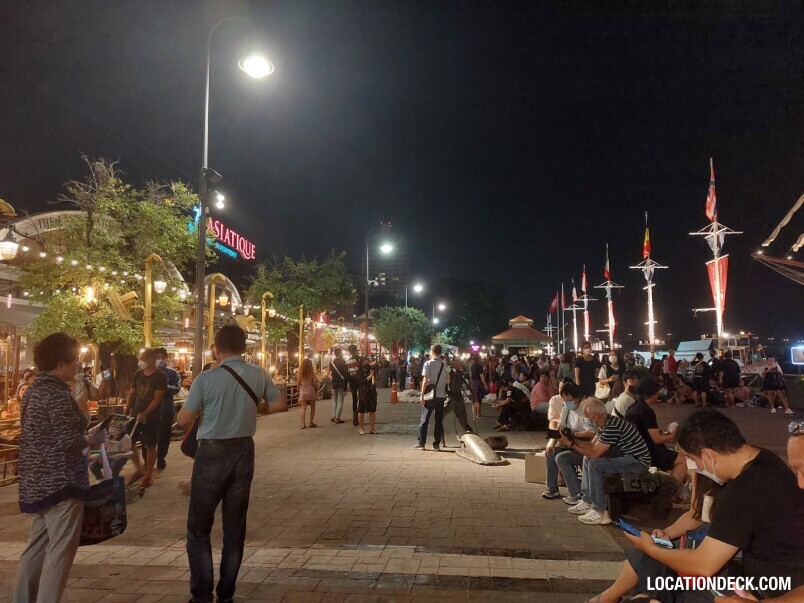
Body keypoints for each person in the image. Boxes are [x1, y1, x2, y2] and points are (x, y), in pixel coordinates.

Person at [620, 409, 804, 601]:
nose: (693, 467)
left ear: (708, 455)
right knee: (656, 578)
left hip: (770, 587)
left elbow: (703, 564)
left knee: (658, 577)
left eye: (692, 459)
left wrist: (652, 548)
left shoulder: (745, 488)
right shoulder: (765, 460)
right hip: (760, 578)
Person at [177, 325, 279, 603]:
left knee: (199, 528)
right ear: (245, 348)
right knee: (234, 529)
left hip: (211, 453)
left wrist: (204, 409)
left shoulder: (205, 379)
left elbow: (183, 421)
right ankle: (227, 595)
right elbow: (279, 404)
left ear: (215, 348)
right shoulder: (258, 374)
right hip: (244, 451)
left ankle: (201, 595)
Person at [13, 332, 107, 603]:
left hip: (37, 483)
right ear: (60, 363)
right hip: (61, 483)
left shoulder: (33, 391)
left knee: (36, 549)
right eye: (75, 360)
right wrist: (94, 439)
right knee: (60, 553)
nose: (78, 365)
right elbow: (69, 441)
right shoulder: (54, 394)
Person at [592, 472, 723, 603]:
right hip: (699, 542)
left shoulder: (737, 485)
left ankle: (615, 597)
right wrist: (666, 533)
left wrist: (652, 548)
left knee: (652, 555)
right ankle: (620, 596)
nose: (690, 465)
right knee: (651, 552)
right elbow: (695, 514)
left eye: (690, 457)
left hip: (714, 553)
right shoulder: (701, 471)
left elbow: (707, 562)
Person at [563, 398, 651, 525]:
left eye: (588, 417)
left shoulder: (612, 426)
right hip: (626, 457)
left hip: (637, 462)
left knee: (595, 465)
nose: (587, 420)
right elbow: (592, 447)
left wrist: (570, 444)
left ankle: (599, 511)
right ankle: (587, 500)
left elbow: (595, 453)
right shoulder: (605, 424)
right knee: (588, 459)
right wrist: (572, 440)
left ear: (596, 416)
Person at [624, 377, 688, 483]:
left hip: (636, 448)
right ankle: (670, 492)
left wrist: (665, 434)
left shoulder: (632, 407)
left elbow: (647, 432)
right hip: (648, 452)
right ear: (652, 393)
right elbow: (657, 439)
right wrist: (676, 434)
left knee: (672, 456)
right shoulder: (647, 411)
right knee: (683, 460)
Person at [545, 382, 597, 501]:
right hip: (568, 443)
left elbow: (591, 432)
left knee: (562, 458)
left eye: (569, 400)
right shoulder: (566, 409)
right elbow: (559, 428)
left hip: (583, 446)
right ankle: (552, 488)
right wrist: (552, 443)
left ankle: (576, 493)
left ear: (578, 398)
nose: (566, 403)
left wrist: (573, 434)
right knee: (551, 452)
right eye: (564, 400)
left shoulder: (586, 410)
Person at [124, 348, 167, 488]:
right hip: (135, 414)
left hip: (152, 417)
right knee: (127, 441)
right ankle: (138, 468)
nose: (140, 361)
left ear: (151, 359)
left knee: (150, 445)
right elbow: (132, 393)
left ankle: (148, 473)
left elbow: (157, 398)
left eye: (142, 358)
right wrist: (127, 409)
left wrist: (146, 413)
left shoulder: (160, 376)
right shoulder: (137, 375)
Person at [415, 345, 447, 450]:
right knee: (438, 420)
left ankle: (422, 443)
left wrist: (422, 395)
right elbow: (448, 381)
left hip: (430, 396)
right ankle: (436, 444)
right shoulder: (444, 364)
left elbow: (425, 380)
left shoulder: (428, 364)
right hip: (441, 395)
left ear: (432, 352)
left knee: (425, 419)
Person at [154, 347, 181, 470]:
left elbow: (177, 388)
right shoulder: (147, 372)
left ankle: (160, 458)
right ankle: (147, 460)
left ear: (166, 358)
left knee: (164, 435)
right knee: (149, 436)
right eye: (157, 358)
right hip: (150, 411)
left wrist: (164, 387)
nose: (159, 360)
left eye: (162, 358)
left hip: (166, 409)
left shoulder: (172, 373)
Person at [443, 356, 474, 436]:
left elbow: (468, 385)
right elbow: (445, 385)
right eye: (457, 364)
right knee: (439, 419)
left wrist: (470, 394)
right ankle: (440, 440)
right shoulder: (450, 373)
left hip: (457, 399)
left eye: (459, 363)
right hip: (451, 399)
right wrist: (449, 394)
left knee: (463, 419)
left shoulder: (461, 374)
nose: (459, 365)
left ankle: (471, 434)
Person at [357, 357, 378, 435]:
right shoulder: (359, 371)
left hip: (372, 392)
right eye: (365, 362)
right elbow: (362, 380)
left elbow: (373, 382)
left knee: (373, 410)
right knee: (361, 410)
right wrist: (370, 376)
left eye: (368, 362)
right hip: (363, 392)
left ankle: (372, 428)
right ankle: (361, 427)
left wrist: (372, 374)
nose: (367, 363)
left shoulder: (371, 370)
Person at [297, 358, 318, 429]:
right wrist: (316, 389)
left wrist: (298, 391)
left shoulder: (300, 373)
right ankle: (311, 422)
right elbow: (315, 383)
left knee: (303, 408)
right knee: (312, 407)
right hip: (311, 390)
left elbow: (299, 383)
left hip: (302, 390)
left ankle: (303, 424)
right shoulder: (312, 373)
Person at [329, 348, 348, 424]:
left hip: (334, 383)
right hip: (341, 383)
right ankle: (338, 417)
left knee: (334, 400)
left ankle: (334, 416)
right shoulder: (343, 362)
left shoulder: (331, 363)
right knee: (340, 400)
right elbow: (346, 374)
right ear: (340, 354)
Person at [345, 344, 363, 426]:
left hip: (352, 382)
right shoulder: (360, 359)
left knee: (354, 399)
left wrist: (345, 386)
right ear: (356, 350)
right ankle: (360, 415)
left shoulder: (348, 362)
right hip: (361, 382)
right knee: (361, 399)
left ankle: (355, 416)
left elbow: (346, 375)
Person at [469, 352, 488, 419]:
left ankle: (475, 413)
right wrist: (485, 385)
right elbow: (482, 376)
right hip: (478, 382)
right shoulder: (478, 366)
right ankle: (478, 414)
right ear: (478, 358)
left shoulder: (472, 365)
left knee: (475, 399)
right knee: (479, 399)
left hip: (473, 382)